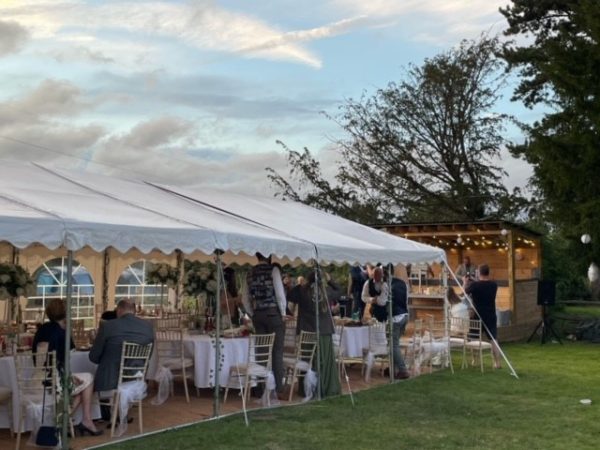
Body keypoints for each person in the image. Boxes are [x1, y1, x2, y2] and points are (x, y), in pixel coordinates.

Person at [32, 299, 102, 436]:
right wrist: (69, 376)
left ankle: (67, 421)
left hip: (37, 381)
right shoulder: (62, 333)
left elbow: (44, 360)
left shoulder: (41, 330)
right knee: (89, 379)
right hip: (53, 383)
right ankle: (68, 421)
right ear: (65, 314)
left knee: (82, 388)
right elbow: (62, 361)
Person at [242, 253, 289, 399]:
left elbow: (245, 298)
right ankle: (279, 389)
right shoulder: (273, 270)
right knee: (277, 351)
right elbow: (280, 294)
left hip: (258, 315)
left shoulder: (249, 273)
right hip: (273, 314)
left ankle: (259, 388)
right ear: (268, 256)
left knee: (260, 352)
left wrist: (252, 313)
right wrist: (282, 312)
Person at [287, 271, 341, 397]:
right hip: (323, 331)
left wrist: (301, 284)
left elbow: (289, 295)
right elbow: (339, 290)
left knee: (307, 360)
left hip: (307, 331)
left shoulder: (302, 291)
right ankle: (324, 387)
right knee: (323, 360)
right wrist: (330, 279)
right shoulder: (327, 291)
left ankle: (307, 389)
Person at [89, 299, 155, 394]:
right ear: (134, 311)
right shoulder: (148, 327)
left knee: (90, 380)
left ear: (118, 310)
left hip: (110, 381)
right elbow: (148, 356)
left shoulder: (108, 326)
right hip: (136, 380)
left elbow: (93, 357)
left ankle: (105, 408)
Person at [464, 264, 501, 369]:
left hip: (477, 315)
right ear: (488, 272)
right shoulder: (494, 285)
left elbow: (464, 293)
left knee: (473, 338)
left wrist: (465, 283)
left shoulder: (475, 285)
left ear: (479, 272)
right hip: (490, 315)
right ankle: (497, 363)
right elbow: (483, 284)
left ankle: (475, 360)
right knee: (493, 339)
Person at [387, 265, 410, 380]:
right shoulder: (403, 284)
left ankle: (403, 370)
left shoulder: (389, 285)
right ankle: (392, 367)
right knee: (394, 344)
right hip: (405, 315)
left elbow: (387, 302)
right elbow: (406, 300)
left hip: (396, 317)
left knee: (393, 345)